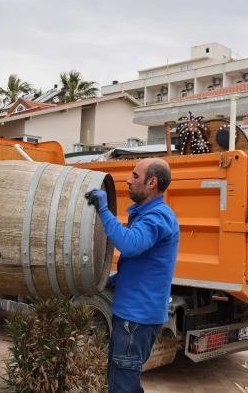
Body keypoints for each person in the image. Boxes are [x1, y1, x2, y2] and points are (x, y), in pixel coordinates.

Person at [85, 157, 179, 393]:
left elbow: (130, 245)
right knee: (120, 381)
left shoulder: (157, 217)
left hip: (135, 320)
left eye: (135, 176)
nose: (128, 180)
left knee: (122, 387)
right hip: (133, 316)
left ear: (152, 183)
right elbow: (142, 264)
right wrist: (111, 281)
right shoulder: (148, 214)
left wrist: (104, 210)